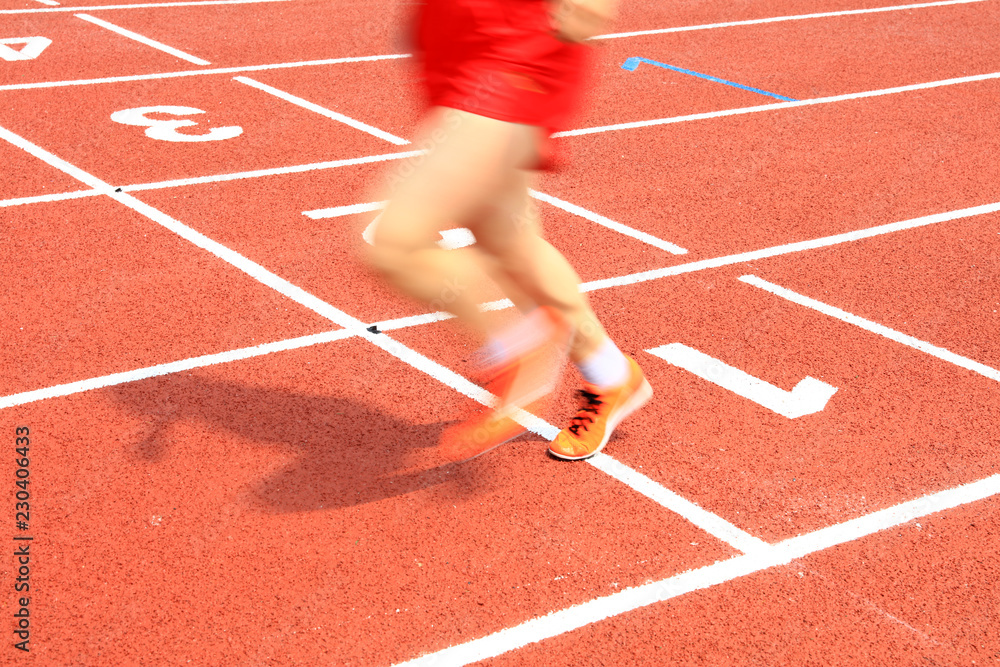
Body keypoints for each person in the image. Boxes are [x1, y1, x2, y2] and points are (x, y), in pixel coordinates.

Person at [367, 0, 652, 462]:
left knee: (394, 244)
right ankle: (611, 374)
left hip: (508, 58)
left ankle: (517, 352)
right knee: (508, 241)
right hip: (456, 51)